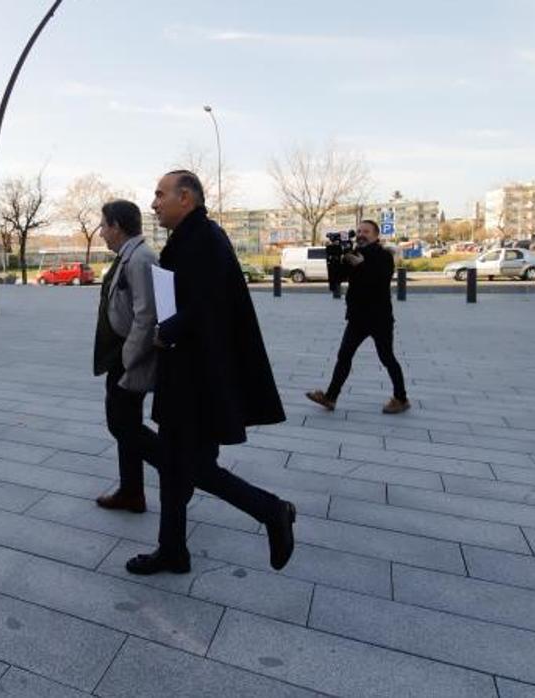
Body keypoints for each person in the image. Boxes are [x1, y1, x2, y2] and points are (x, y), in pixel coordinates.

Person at [125, 170, 296, 576]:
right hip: (186, 374)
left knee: (193, 468)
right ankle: (172, 551)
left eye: (160, 194)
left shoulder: (204, 240)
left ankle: (272, 510)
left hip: (198, 381)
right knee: (174, 467)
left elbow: (207, 305)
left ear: (186, 198)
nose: (154, 203)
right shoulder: (192, 238)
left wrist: (165, 331)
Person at [92, 200, 159, 514]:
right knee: (123, 423)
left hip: (128, 355)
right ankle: (131, 491)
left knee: (123, 424)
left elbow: (147, 316)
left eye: (104, 225)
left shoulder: (140, 259)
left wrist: (129, 360)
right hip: (119, 352)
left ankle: (179, 468)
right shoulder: (128, 256)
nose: (102, 232)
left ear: (116, 226)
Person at [306, 219, 410, 414]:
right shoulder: (353, 254)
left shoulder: (384, 256)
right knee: (344, 356)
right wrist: (335, 255)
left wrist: (362, 265)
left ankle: (401, 398)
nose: (361, 234)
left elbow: (380, 280)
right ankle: (330, 397)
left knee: (386, 357)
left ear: (376, 235)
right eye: (359, 231)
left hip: (379, 318)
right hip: (357, 317)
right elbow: (336, 278)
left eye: (366, 231)